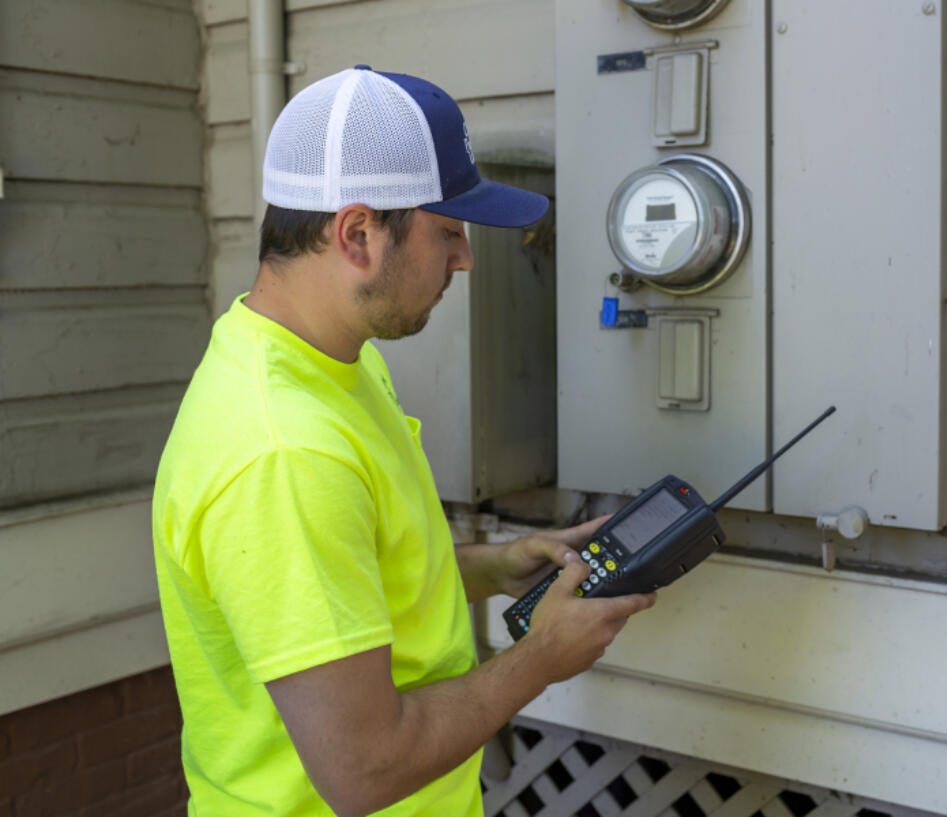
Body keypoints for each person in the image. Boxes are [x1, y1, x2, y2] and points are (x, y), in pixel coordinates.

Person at [152, 65, 656, 817]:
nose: (465, 258)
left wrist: (496, 566)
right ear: (357, 233)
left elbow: (355, 575)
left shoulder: (331, 365)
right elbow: (364, 770)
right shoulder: (286, 454)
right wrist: (540, 658)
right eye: (448, 231)